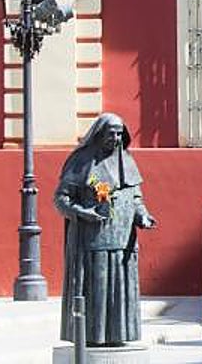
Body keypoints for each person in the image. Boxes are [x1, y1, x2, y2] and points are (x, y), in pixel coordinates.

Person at [54, 113, 157, 346]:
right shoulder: (81, 161)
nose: (116, 137)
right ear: (99, 134)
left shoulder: (127, 160)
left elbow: (135, 198)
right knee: (96, 289)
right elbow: (61, 199)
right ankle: (93, 336)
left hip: (123, 240)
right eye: (111, 133)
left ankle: (118, 335)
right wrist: (82, 213)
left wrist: (143, 216)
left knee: (120, 289)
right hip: (92, 241)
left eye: (120, 133)